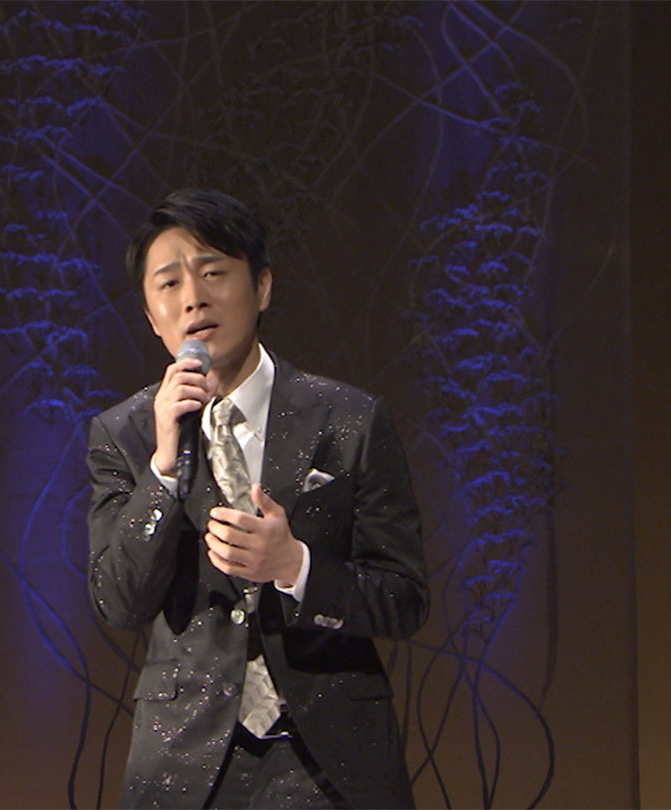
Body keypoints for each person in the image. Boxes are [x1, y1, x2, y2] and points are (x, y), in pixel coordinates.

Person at [87, 188, 428, 809]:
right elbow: (119, 600)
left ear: (262, 287)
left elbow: (404, 599)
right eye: (169, 283)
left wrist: (296, 567)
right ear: (152, 317)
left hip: (331, 762)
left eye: (213, 272)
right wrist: (162, 470)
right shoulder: (126, 434)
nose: (193, 298)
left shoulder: (349, 420)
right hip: (184, 765)